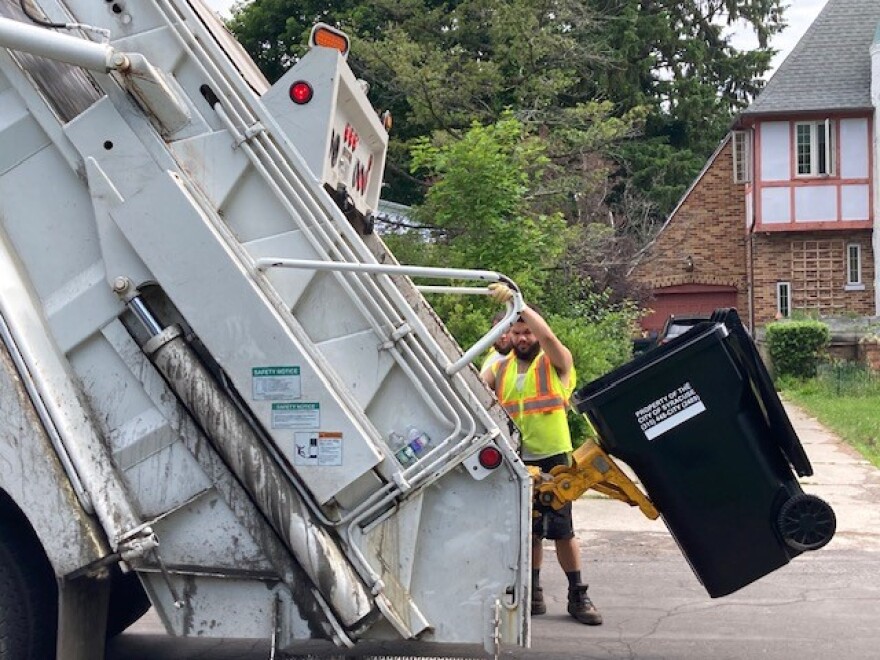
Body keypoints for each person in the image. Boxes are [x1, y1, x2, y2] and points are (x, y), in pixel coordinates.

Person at [482, 283, 603, 626]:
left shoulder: (556, 364)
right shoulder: (501, 367)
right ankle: (533, 593)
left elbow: (549, 338)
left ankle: (578, 595)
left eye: (527, 332)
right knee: (530, 531)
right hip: (520, 459)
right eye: (516, 332)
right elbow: (472, 384)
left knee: (563, 530)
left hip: (554, 460)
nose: (523, 338)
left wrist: (520, 305)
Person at [480, 310, 512, 378]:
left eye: (507, 331)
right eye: (498, 331)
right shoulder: (493, 351)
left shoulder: (516, 363)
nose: (503, 336)